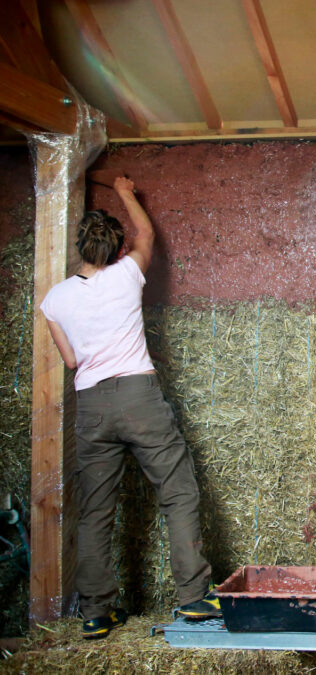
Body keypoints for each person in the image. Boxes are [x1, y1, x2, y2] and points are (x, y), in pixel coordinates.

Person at [40, 177, 221, 639]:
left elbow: (71, 360)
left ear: (80, 247)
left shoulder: (55, 299)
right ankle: (195, 597)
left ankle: (97, 611)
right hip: (139, 398)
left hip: (92, 405)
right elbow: (147, 236)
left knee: (96, 510)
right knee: (177, 492)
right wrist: (125, 192)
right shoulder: (126, 274)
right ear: (117, 248)